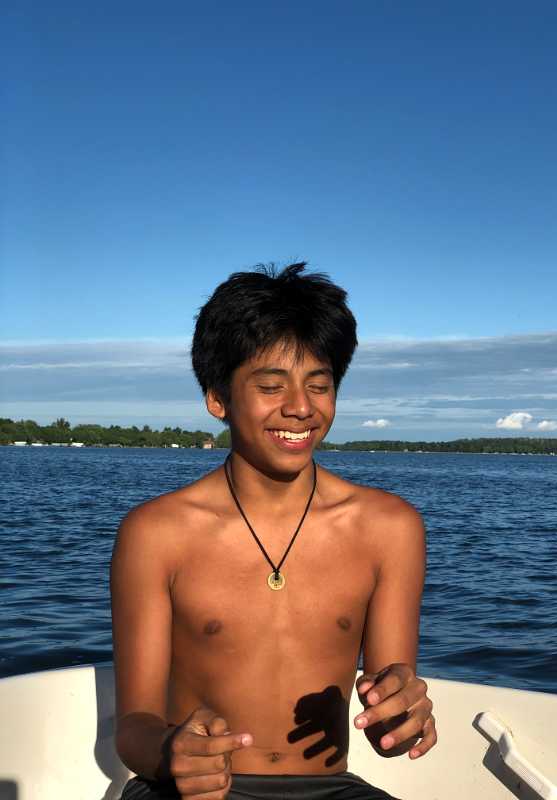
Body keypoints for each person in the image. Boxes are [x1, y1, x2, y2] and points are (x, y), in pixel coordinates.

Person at [111, 262, 437, 800]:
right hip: (191, 790)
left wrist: (404, 715)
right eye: (270, 386)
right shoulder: (156, 533)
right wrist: (172, 752)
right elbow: (133, 728)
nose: (301, 408)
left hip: (331, 788)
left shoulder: (389, 527)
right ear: (217, 398)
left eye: (320, 386)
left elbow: (386, 727)